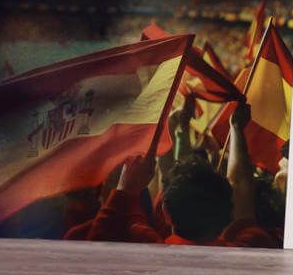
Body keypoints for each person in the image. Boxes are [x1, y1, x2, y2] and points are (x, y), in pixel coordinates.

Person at [66, 104, 274, 247]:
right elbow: (241, 188)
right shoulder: (252, 245)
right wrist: (236, 128)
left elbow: (100, 242)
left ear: (165, 212)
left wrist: (125, 189)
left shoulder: (147, 249)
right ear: (228, 212)